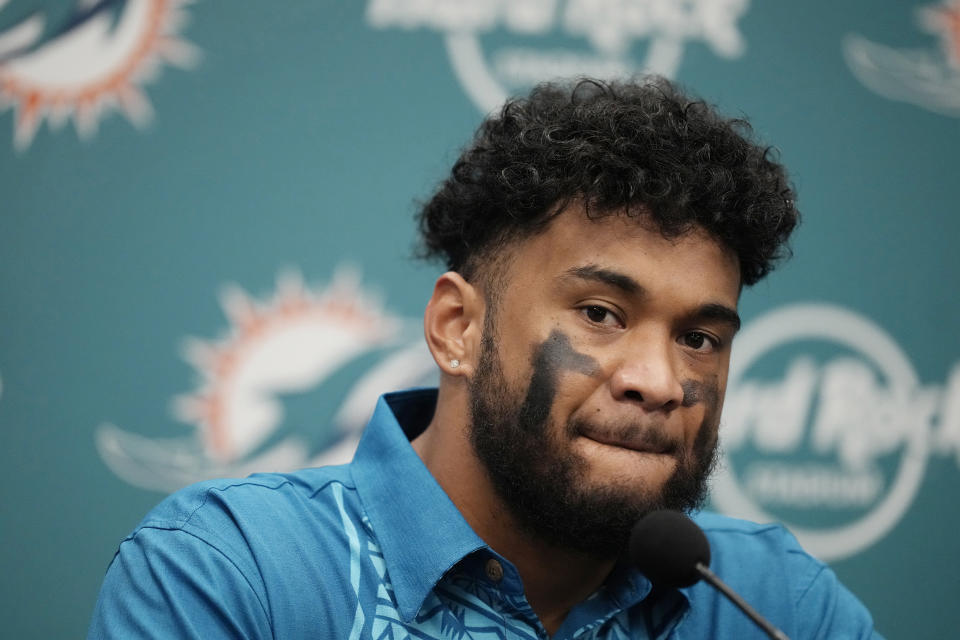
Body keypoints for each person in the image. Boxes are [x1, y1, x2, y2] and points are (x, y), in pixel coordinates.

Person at [88, 77, 881, 639]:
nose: (660, 382)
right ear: (458, 328)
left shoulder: (775, 602)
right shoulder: (238, 575)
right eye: (601, 314)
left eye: (698, 338)